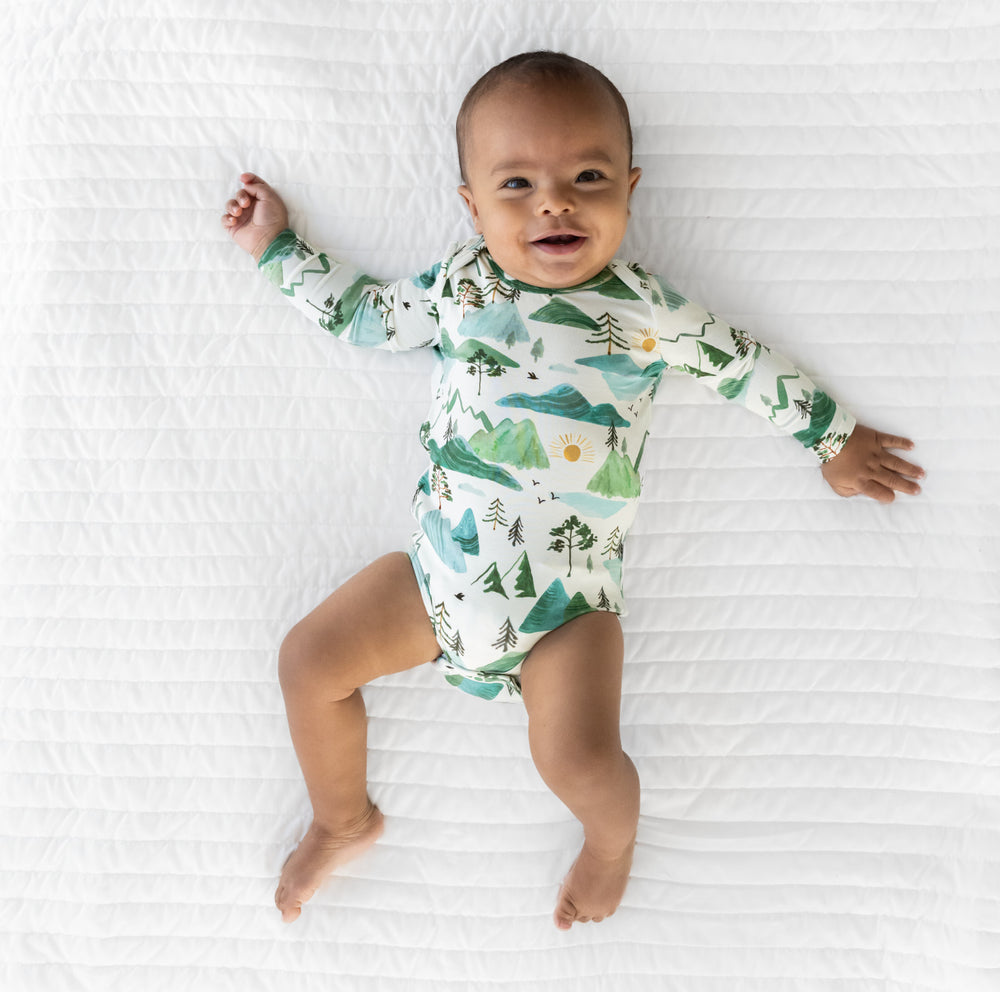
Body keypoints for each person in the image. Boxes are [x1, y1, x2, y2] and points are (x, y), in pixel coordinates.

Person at [220, 51, 924, 930]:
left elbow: (741, 364)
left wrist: (834, 437)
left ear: (629, 190)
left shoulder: (645, 310)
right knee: (308, 662)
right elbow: (363, 315)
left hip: (567, 610)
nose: (554, 200)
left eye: (587, 176)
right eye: (517, 183)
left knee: (580, 760)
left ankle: (611, 843)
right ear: (473, 207)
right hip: (440, 580)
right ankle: (342, 817)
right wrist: (276, 248)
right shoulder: (459, 287)